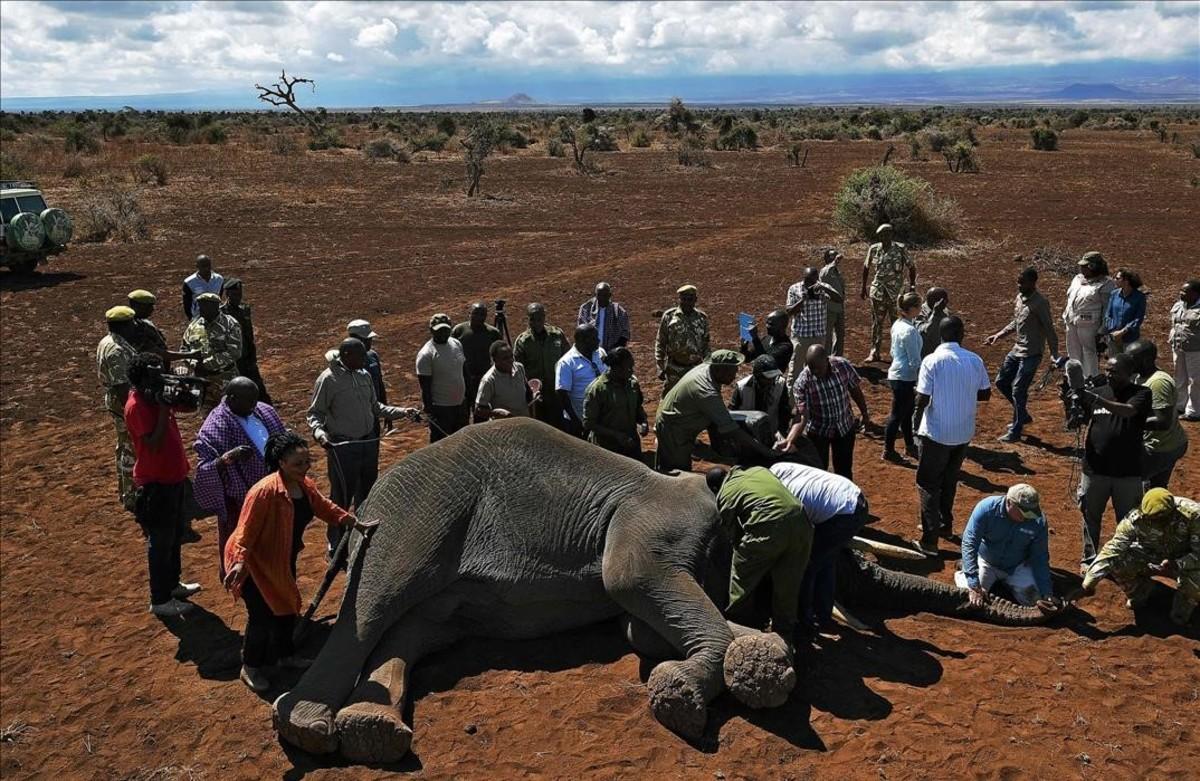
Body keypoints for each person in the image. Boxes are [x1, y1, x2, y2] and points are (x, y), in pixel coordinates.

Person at [223, 431, 368, 692]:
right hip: (252, 563)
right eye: (298, 463)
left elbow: (323, 506)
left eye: (307, 461)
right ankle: (251, 667)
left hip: (279, 556)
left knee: (286, 605)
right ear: (281, 463)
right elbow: (245, 532)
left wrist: (352, 521)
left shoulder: (304, 485)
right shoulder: (264, 492)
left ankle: (285, 656)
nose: (305, 467)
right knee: (262, 615)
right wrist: (240, 563)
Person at [309, 338, 417, 554]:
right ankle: (336, 544)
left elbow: (376, 408)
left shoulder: (364, 375)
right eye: (360, 355)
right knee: (341, 496)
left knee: (367, 492)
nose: (365, 359)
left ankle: (363, 536)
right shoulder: (328, 380)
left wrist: (403, 412)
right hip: (343, 447)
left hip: (368, 444)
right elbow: (314, 414)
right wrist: (320, 435)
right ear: (347, 356)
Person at [124, 352, 202, 618]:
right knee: (160, 541)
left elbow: (191, 405)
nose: (159, 377)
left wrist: (179, 393)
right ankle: (160, 599)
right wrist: (163, 408)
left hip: (174, 476)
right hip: (156, 483)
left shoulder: (153, 396)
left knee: (174, 537)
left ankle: (172, 585)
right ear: (141, 378)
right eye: (154, 373)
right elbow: (154, 444)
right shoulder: (137, 406)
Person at [912, 316, 991, 554]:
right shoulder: (975, 360)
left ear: (940, 336)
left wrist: (915, 426)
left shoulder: (932, 361)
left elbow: (922, 398)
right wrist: (963, 395)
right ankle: (945, 525)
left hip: (936, 432)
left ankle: (929, 539)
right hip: (963, 433)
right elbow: (985, 394)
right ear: (962, 335)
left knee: (927, 483)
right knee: (949, 479)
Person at [193, 377, 286, 579]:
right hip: (242, 500)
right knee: (244, 543)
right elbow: (204, 470)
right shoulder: (215, 426)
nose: (254, 406)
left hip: (273, 490)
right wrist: (228, 458)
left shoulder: (264, 411)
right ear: (232, 399)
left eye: (255, 400)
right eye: (249, 402)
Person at [706, 465, 812, 641]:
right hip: (802, 522)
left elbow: (731, 535)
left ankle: (740, 627)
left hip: (769, 525)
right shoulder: (758, 470)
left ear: (715, 489)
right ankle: (784, 635)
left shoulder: (725, 494)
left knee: (741, 576)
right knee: (788, 584)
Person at [1072, 488, 1199, 625]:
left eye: (1162, 519)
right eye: (1153, 520)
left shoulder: (1194, 515)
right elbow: (1112, 549)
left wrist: (1177, 563)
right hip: (1153, 553)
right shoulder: (1135, 519)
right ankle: (1141, 591)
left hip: (1187, 557)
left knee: (1195, 580)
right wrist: (1089, 582)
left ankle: (1181, 610)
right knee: (1118, 561)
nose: (1158, 523)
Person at [769, 461, 870, 633]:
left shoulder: (783, 500)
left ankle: (805, 621)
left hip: (842, 514)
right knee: (826, 561)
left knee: (807, 565)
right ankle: (823, 614)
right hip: (854, 496)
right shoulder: (778, 467)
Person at [1077, 354, 1151, 570]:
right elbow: (1082, 420)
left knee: (1128, 521)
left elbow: (1127, 412)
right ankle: (1089, 558)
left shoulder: (1141, 393)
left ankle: (1124, 560)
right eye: (1107, 370)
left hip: (1127, 472)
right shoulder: (1099, 391)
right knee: (1090, 516)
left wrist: (1096, 400)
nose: (1109, 374)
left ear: (1130, 374)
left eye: (1114, 371)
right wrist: (1075, 406)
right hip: (1094, 469)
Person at [654, 351, 779, 472]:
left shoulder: (708, 370)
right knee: (677, 471)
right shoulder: (706, 391)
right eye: (732, 373)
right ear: (720, 370)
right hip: (674, 430)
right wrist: (765, 451)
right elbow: (732, 429)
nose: (734, 377)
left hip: (681, 421)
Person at [985, 266, 1061, 443]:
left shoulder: (1040, 303)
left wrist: (1054, 353)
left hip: (1032, 353)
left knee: (1019, 390)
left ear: (1033, 283)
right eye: (1018, 281)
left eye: (1022, 282)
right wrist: (999, 335)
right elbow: (1016, 321)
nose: (1019, 285)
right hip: (1017, 349)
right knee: (1001, 382)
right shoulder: (1019, 298)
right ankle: (1023, 415)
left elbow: (1049, 329)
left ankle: (1016, 429)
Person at [776, 345, 869, 480]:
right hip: (819, 433)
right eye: (811, 367)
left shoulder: (843, 366)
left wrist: (865, 414)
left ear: (827, 360)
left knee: (844, 471)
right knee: (819, 472)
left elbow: (855, 391)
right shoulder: (802, 383)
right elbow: (802, 415)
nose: (814, 371)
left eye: (818, 368)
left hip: (844, 427)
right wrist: (790, 440)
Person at [955, 485, 1055, 609]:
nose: (1027, 517)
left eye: (1031, 512)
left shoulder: (1038, 521)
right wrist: (973, 583)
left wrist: (1046, 592)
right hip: (986, 561)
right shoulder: (986, 509)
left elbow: (1040, 557)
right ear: (1009, 502)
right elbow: (969, 542)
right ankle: (965, 570)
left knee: (1035, 601)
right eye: (1023, 512)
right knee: (971, 597)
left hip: (1016, 566)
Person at [1127, 340, 1188, 489]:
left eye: (1131, 359)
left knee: (1129, 480)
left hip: (1160, 448)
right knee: (1157, 487)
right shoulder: (1140, 377)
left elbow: (1163, 421)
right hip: (1166, 444)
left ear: (1146, 360)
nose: (1127, 362)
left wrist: (1126, 419)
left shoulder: (1158, 383)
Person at [97, 305, 140, 511]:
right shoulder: (117, 351)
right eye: (131, 323)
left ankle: (128, 490)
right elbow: (123, 388)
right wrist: (136, 413)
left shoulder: (109, 342)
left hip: (119, 404)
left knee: (124, 446)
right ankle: (131, 495)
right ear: (123, 325)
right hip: (124, 406)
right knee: (130, 449)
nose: (134, 326)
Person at [861, 223, 916, 363]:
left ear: (891, 235)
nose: (884, 237)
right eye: (881, 235)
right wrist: (863, 287)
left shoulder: (900, 249)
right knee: (876, 323)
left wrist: (912, 286)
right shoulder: (874, 249)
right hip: (878, 292)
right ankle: (874, 352)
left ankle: (897, 353)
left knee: (896, 324)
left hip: (895, 294)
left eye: (886, 234)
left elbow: (911, 267)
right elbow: (866, 268)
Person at [181, 292, 243, 414]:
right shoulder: (194, 325)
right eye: (200, 305)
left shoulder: (230, 324)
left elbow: (234, 352)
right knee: (207, 418)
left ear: (216, 306)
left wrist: (206, 364)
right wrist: (193, 364)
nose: (202, 309)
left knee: (232, 416)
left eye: (206, 305)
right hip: (203, 383)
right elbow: (184, 350)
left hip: (225, 380)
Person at [583, 346, 648, 459]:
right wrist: (616, 435)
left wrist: (644, 422)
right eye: (628, 368)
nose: (632, 371)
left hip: (631, 445)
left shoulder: (632, 384)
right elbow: (588, 423)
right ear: (616, 368)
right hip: (606, 451)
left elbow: (637, 408)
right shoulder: (597, 389)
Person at [513, 303, 571, 429]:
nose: (536, 322)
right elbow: (518, 369)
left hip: (556, 391)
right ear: (528, 320)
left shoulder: (557, 335)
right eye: (532, 319)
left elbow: (568, 358)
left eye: (539, 317)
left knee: (558, 426)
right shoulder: (523, 341)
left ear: (544, 317)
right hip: (535, 394)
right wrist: (529, 391)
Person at [416, 314, 469, 442]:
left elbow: (463, 370)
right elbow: (425, 387)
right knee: (441, 445)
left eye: (446, 329)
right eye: (439, 330)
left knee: (461, 443)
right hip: (441, 409)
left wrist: (468, 397)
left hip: (460, 405)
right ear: (431, 330)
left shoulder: (456, 343)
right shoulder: (426, 354)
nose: (443, 333)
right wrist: (431, 412)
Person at [785, 265, 843, 383]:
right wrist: (803, 300)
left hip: (818, 337)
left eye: (814, 280)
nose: (811, 284)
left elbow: (839, 299)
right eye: (809, 280)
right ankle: (791, 400)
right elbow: (789, 311)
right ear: (804, 278)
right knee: (795, 370)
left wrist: (824, 288)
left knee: (817, 370)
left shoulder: (822, 287)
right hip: (801, 337)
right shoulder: (794, 289)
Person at [1062, 251, 1115, 379]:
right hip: (1072, 321)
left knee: (1089, 353)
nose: (1082, 268)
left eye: (1086, 266)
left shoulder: (1106, 284)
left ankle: (1090, 384)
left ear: (1094, 266)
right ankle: (1073, 383)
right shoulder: (1077, 279)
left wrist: (1103, 330)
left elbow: (1107, 309)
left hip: (1090, 325)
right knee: (1073, 353)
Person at [884, 292, 923, 461]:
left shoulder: (898, 324)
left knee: (906, 412)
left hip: (897, 374)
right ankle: (888, 451)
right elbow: (915, 360)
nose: (921, 309)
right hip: (904, 377)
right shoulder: (909, 331)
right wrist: (921, 377)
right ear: (912, 309)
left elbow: (893, 351)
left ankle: (909, 445)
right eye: (919, 307)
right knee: (897, 415)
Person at [219, 279, 271, 404]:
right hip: (233, 361)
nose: (238, 298)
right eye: (235, 295)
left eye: (240, 294)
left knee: (259, 391)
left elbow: (249, 334)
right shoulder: (221, 313)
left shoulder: (245, 309)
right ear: (227, 294)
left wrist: (252, 355)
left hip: (247, 357)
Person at [452, 303, 503, 423]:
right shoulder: (459, 330)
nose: (479, 317)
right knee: (462, 414)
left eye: (482, 314)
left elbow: (500, 354)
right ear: (469, 314)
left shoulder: (493, 333)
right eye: (476, 313)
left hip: (483, 380)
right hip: (463, 379)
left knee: (481, 414)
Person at [655, 284, 710, 393]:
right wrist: (660, 366)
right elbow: (660, 342)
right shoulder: (669, 316)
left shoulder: (702, 318)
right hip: (674, 368)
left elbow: (706, 345)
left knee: (694, 397)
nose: (686, 302)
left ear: (695, 300)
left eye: (690, 299)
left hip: (695, 368)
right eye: (683, 299)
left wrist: (708, 366)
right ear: (679, 299)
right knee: (670, 399)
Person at [556, 324, 605, 437]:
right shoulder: (566, 363)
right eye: (594, 338)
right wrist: (576, 421)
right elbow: (562, 394)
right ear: (583, 341)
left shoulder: (600, 353)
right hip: (580, 420)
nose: (598, 340)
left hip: (602, 419)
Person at [730, 355, 793, 441]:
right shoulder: (742, 387)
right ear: (757, 375)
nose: (771, 381)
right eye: (768, 378)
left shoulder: (780, 385)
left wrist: (781, 432)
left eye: (773, 377)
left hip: (772, 434)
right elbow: (732, 414)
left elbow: (784, 412)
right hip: (747, 435)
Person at [127, 290, 195, 366]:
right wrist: (190, 355)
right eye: (148, 306)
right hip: (148, 372)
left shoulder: (144, 323)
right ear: (136, 306)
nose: (152, 309)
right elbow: (158, 353)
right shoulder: (134, 328)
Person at [347, 319, 388, 432]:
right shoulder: (344, 362)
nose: (370, 341)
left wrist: (386, 410)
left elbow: (379, 383)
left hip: (373, 413)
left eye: (370, 338)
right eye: (366, 339)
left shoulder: (373, 356)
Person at [475, 341, 532, 421]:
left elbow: (527, 391)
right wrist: (496, 413)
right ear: (495, 360)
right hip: (503, 428)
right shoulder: (489, 380)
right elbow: (478, 409)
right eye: (505, 358)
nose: (511, 360)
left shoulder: (519, 368)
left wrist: (534, 395)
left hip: (523, 421)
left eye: (511, 356)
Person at [1169, 279, 1200, 420]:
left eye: (1185, 291)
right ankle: (1180, 405)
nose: (1181, 293)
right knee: (1180, 378)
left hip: (1195, 350)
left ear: (1195, 294)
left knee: (1195, 380)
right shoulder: (1179, 305)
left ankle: (1194, 411)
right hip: (1178, 346)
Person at [1103, 268, 1147, 356]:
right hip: (1113, 338)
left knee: (1129, 364)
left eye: (1117, 278)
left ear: (1126, 281)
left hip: (1130, 339)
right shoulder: (1114, 294)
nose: (1114, 280)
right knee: (1114, 364)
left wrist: (1122, 332)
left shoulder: (1139, 297)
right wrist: (1113, 331)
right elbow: (1108, 314)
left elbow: (1138, 319)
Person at [577, 282, 631, 352]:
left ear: (610, 295)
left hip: (611, 354)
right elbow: (581, 330)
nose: (602, 298)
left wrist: (614, 351)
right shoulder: (586, 308)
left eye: (605, 295)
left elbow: (625, 333)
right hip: (590, 352)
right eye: (599, 295)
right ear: (595, 295)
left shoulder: (618, 311)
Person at [740, 308, 793, 374]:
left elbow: (766, 363)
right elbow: (747, 358)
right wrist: (744, 346)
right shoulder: (766, 339)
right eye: (767, 323)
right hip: (758, 379)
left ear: (781, 326)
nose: (767, 326)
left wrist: (755, 338)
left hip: (772, 382)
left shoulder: (786, 347)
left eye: (771, 324)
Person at [818, 249, 847, 357]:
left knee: (840, 334)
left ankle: (837, 358)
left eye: (835, 255)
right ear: (826, 259)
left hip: (839, 308)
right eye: (832, 256)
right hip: (829, 308)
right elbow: (824, 276)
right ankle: (826, 358)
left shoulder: (836, 272)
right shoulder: (825, 271)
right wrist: (835, 261)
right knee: (828, 336)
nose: (835, 257)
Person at [182, 253, 224, 320]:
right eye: (203, 266)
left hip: (216, 317)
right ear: (197, 266)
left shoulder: (219, 279)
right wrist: (191, 318)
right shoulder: (189, 282)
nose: (207, 268)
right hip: (198, 318)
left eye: (208, 265)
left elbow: (219, 296)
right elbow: (187, 303)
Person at [917, 287, 951, 358]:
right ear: (936, 302)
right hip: (926, 354)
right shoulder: (919, 312)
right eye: (944, 300)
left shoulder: (944, 310)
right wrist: (935, 314)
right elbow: (922, 332)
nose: (947, 301)